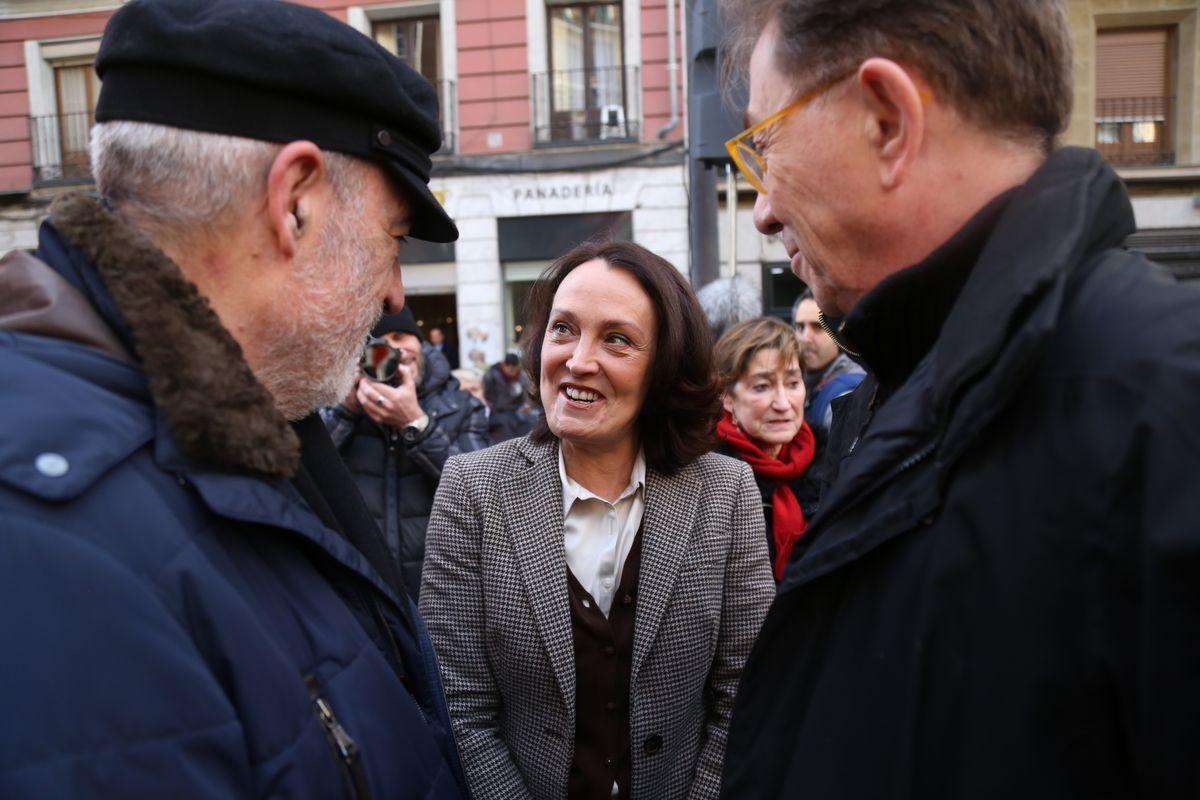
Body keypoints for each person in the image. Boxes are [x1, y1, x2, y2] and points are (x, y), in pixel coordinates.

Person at [717, 0, 1200, 797]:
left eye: (764, 145)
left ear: (888, 121)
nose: (763, 208)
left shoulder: (1166, 406)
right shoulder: (893, 389)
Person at [0, 1, 467, 796]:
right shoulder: (49, 543)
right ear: (296, 203)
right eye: (394, 240)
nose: (394, 293)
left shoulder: (235, 430)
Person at [419, 241, 774, 800]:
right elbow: (459, 705)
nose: (579, 360)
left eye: (617, 339)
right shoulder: (472, 491)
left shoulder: (724, 494)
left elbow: (746, 693)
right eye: (563, 329)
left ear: (664, 367)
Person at [323, 307, 489, 599]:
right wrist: (346, 411)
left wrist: (415, 424)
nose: (395, 350)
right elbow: (305, 471)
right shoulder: (339, 403)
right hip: (361, 587)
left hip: (440, 588)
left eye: (401, 337)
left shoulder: (462, 406)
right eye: (379, 343)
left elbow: (483, 494)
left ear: (420, 343)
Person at [713, 317, 818, 581]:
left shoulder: (831, 461)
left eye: (793, 383)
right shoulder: (708, 476)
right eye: (762, 386)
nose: (783, 403)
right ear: (727, 398)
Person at [792, 289, 863, 437]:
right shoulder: (794, 381)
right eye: (800, 327)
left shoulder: (848, 394)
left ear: (837, 333)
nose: (805, 337)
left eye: (818, 327)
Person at [484, 351, 536, 442]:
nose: (513, 372)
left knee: (532, 419)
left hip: (515, 409)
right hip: (496, 410)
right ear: (504, 366)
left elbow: (527, 393)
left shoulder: (522, 376)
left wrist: (527, 405)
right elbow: (486, 393)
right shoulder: (491, 374)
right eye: (510, 369)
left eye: (515, 369)